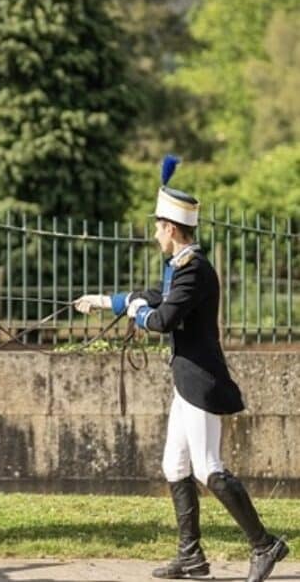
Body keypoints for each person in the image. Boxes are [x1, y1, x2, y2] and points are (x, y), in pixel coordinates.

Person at [75, 157, 288, 582]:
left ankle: (265, 545)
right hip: (186, 381)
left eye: (158, 227)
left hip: (200, 382)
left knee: (209, 467)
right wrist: (101, 301)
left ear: (171, 229)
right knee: (175, 465)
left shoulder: (194, 271)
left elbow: (161, 319)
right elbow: (154, 295)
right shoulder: (181, 268)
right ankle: (191, 557)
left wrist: (136, 313)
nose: (155, 234)